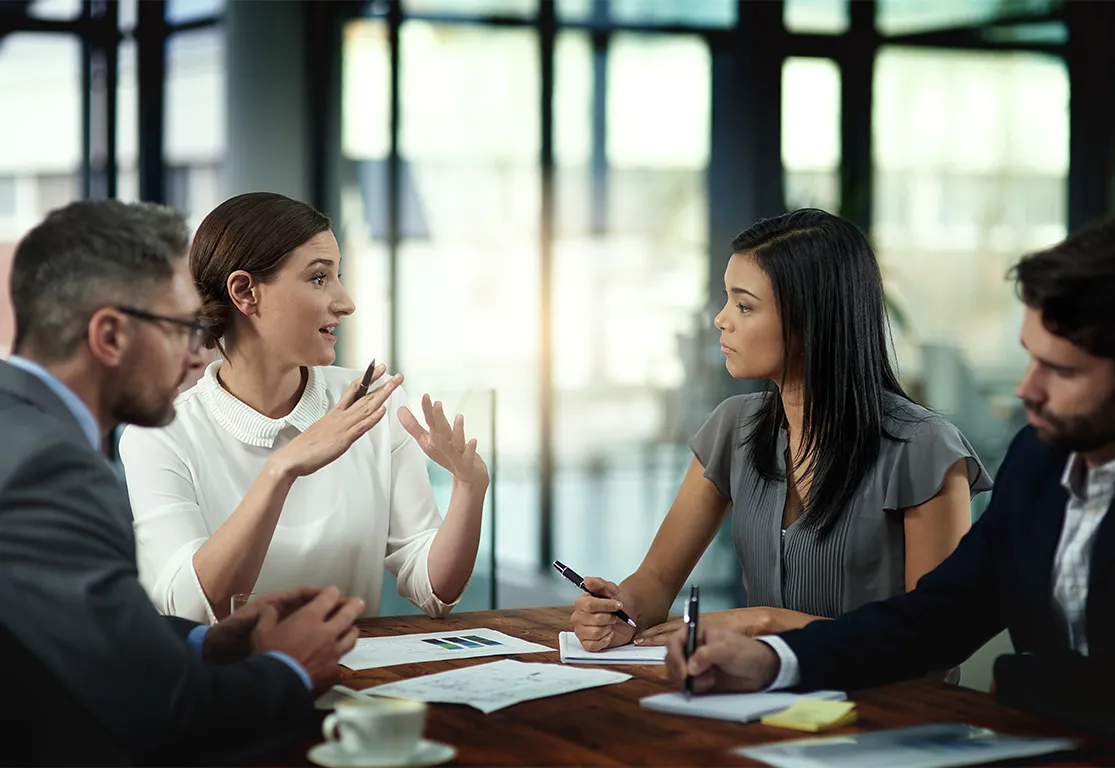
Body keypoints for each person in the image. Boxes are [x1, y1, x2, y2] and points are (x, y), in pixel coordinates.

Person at [662, 219, 1115, 735]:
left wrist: (1025, 684)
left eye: (1063, 371)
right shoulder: (1041, 461)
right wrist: (772, 659)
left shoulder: (926, 446)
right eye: (1031, 358)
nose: (1026, 390)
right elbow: (934, 621)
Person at [0, 199, 365, 764]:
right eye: (181, 329)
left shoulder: (21, 431)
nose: (197, 357)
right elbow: (164, 712)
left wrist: (204, 639)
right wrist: (290, 669)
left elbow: (87, 628)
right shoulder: (49, 466)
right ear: (111, 337)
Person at [572, 209, 992, 651]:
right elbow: (656, 579)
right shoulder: (734, 427)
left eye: (744, 305)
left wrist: (762, 622)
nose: (721, 319)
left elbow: (935, 642)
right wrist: (621, 609)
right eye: (727, 299)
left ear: (812, 320)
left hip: (879, 695)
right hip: (757, 689)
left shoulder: (923, 448)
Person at [119, 192, 489, 625]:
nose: (346, 302)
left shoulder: (374, 404)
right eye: (318, 278)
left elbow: (432, 589)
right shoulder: (160, 435)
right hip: (224, 670)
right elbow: (190, 606)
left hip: (351, 667)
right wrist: (282, 470)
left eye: (337, 276)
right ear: (245, 292)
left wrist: (469, 488)